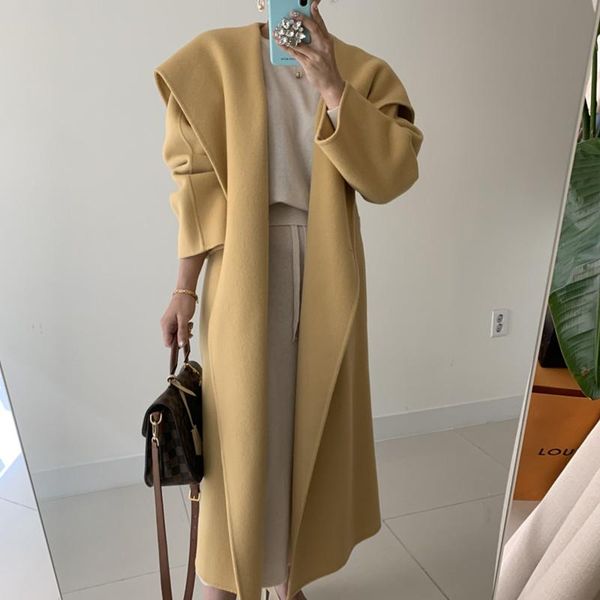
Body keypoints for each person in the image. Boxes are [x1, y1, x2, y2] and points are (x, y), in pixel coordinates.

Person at [157, 1, 424, 599]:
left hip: (328, 265)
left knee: (307, 425)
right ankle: (227, 578)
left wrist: (332, 85)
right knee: (239, 431)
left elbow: (390, 176)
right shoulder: (215, 60)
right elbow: (196, 187)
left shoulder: (361, 70)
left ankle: (286, 573)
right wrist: (184, 288)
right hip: (244, 261)